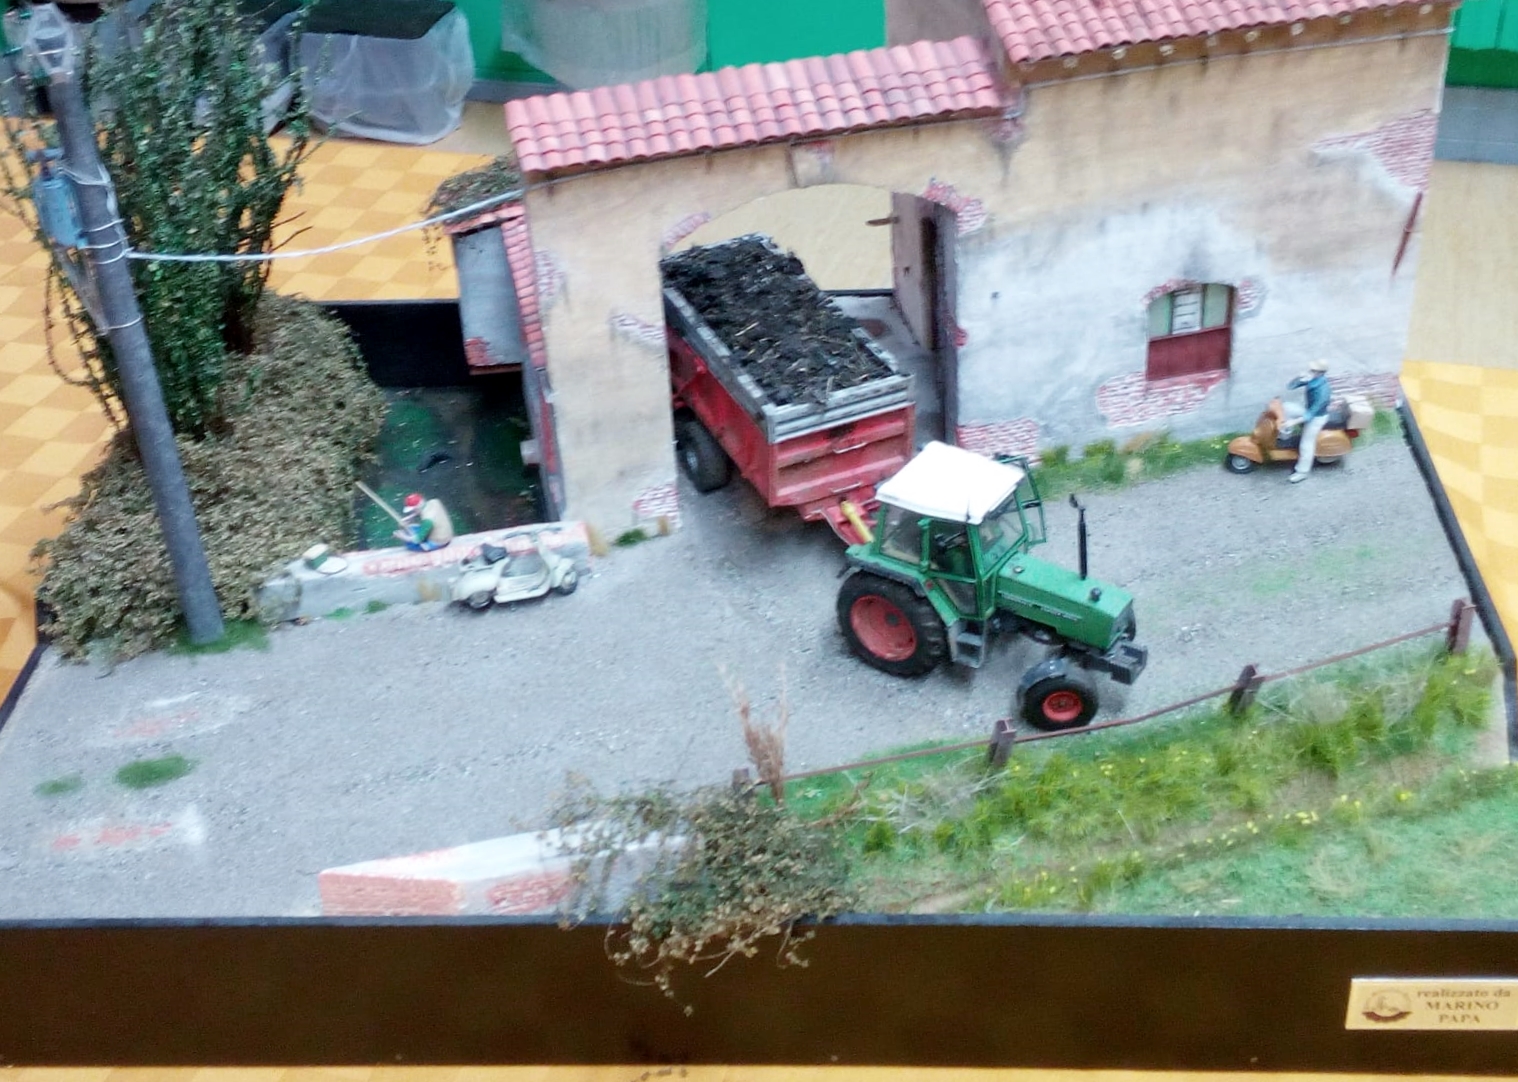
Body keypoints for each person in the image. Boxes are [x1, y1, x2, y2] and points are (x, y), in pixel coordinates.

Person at [1286, 359, 1332, 484]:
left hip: (1317, 417)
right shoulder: (1312, 380)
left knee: (1306, 443)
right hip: (1308, 411)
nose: (1310, 372)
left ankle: (1302, 472)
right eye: (1311, 370)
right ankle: (1285, 434)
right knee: (1287, 407)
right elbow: (1290, 387)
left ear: (1320, 372)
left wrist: (1293, 422)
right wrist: (1299, 378)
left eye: (1313, 370)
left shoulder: (1323, 390)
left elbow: (1312, 413)